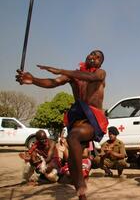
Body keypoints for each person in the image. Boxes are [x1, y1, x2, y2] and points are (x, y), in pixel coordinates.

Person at [16, 50, 108, 200]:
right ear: (86, 56)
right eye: (92, 54)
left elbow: (90, 76)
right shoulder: (74, 75)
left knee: (73, 136)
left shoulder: (100, 73)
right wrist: (33, 80)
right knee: (72, 160)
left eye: (98, 58)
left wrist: (61, 70)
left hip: (93, 120)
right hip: (77, 120)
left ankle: (79, 182)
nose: (93, 58)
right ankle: (81, 192)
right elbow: (54, 82)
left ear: (100, 63)